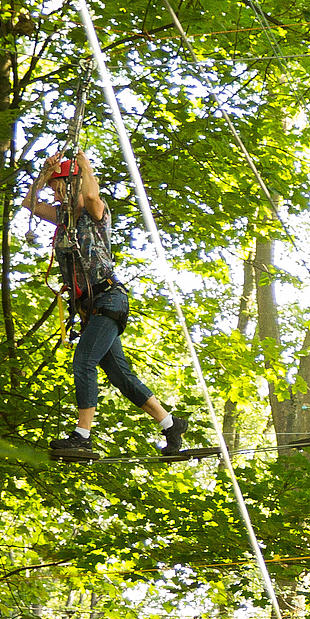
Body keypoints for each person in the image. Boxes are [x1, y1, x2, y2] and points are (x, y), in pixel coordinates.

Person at [21, 153, 188, 461]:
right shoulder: (63, 218)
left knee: (84, 360)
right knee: (119, 374)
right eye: (54, 190)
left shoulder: (96, 213)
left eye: (61, 189)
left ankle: (82, 436)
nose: (56, 195)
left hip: (109, 298)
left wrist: (83, 164)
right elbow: (29, 204)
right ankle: (170, 424)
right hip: (90, 308)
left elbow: (92, 194)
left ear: (74, 187)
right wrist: (45, 174)